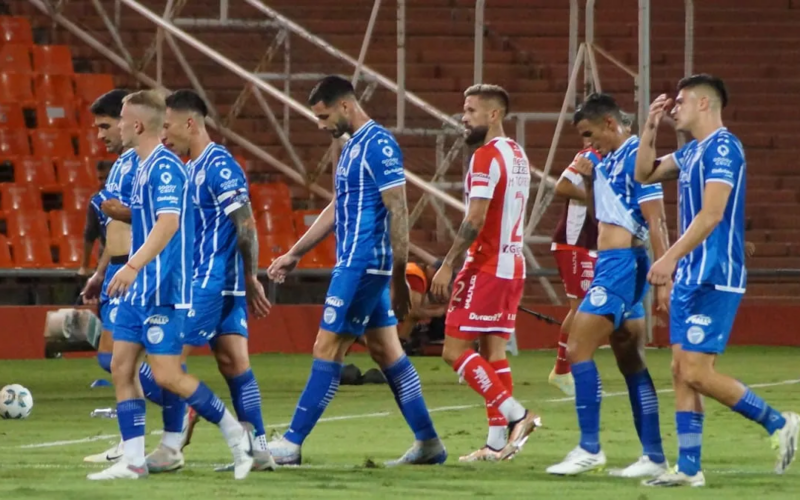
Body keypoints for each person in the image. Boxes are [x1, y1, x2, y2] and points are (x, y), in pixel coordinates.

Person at [266, 75, 446, 466]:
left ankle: (292, 443)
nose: (321, 124)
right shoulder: (350, 148)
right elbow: (337, 206)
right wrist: (295, 252)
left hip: (363, 265)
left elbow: (398, 210)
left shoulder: (379, 145)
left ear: (346, 105)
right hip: (357, 263)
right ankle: (429, 443)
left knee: (326, 348)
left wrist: (399, 279)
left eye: (324, 115)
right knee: (386, 351)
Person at [635, 74, 799, 487]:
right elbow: (645, 173)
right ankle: (689, 469)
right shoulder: (691, 153)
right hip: (691, 275)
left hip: (715, 274)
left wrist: (667, 259)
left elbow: (712, 214)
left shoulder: (724, 148)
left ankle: (780, 422)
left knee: (696, 371)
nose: (675, 108)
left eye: (682, 102)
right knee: (679, 369)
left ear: (705, 104)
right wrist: (650, 127)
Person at [87, 90, 254, 481]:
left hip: (164, 288)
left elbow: (168, 224)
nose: (119, 126)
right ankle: (132, 461)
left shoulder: (165, 168)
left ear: (138, 124)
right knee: (120, 366)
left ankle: (235, 436)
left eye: (123, 120)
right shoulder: (142, 166)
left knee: (166, 376)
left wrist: (129, 267)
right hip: (139, 288)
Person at [148, 89, 275, 473]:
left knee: (164, 367)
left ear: (191, 123)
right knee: (234, 364)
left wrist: (251, 277)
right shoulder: (192, 168)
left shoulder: (219, 165)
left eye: (167, 126)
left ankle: (178, 438)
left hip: (210, 283)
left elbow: (246, 224)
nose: (163, 134)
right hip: (221, 283)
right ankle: (261, 449)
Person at [546, 93, 671, 478]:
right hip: (615, 264)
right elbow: (605, 212)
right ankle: (653, 454)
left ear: (610, 124)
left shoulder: (637, 157)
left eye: (589, 134)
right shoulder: (610, 159)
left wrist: (664, 275)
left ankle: (590, 448)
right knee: (631, 361)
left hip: (620, 267)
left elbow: (657, 221)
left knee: (578, 348)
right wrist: (587, 176)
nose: (588, 143)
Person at [430, 84, 540, 463]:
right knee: (493, 350)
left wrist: (448, 264)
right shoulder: (518, 155)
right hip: (513, 265)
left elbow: (475, 218)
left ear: (494, 115)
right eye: (464, 109)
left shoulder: (485, 157)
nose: (464, 117)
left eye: (472, 110)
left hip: (487, 265)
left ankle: (516, 415)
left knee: (453, 350)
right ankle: (497, 446)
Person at [548, 140, 600, 397]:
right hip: (573, 241)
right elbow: (563, 186)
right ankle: (562, 370)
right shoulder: (589, 155)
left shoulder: (610, 158)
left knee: (586, 307)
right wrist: (596, 195)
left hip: (588, 244)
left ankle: (567, 367)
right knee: (580, 308)